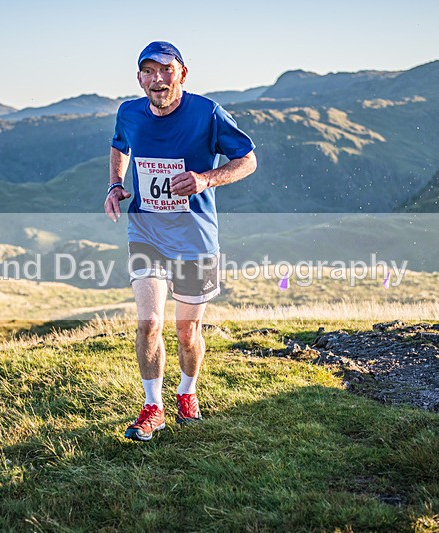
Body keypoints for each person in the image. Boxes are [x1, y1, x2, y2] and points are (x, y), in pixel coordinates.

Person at [105, 41, 257, 441]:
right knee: (149, 322)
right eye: (149, 71)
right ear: (139, 78)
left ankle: (186, 392)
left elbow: (248, 160)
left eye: (166, 70)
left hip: (195, 238)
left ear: (182, 74)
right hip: (146, 231)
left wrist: (206, 178)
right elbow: (120, 145)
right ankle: (152, 407)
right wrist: (115, 184)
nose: (158, 79)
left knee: (188, 332)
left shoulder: (206, 113)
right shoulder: (129, 112)